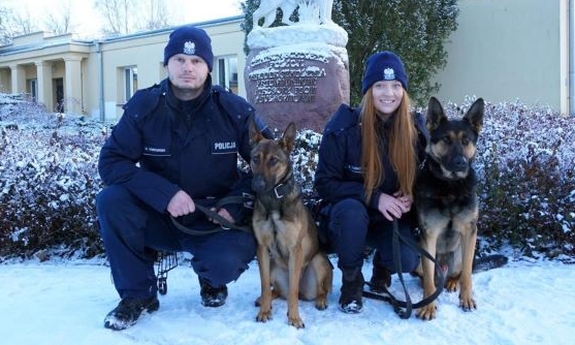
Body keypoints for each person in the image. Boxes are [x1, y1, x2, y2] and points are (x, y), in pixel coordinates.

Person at [96, 26, 271, 330]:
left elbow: (271, 166)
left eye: (196, 61)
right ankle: (139, 295)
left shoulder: (234, 110)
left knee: (223, 263)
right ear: (167, 64)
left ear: (208, 66)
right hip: (160, 214)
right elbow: (111, 162)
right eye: (179, 59)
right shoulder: (143, 107)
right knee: (111, 200)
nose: (187, 68)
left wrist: (237, 206)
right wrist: (164, 194)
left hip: (216, 218)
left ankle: (211, 279)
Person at [314, 51, 428, 313]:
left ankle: (383, 265)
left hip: (387, 219)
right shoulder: (344, 127)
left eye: (396, 86)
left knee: (408, 260)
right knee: (352, 212)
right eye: (380, 85)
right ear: (368, 90)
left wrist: (411, 194)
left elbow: (427, 177)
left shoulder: (415, 130)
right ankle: (352, 283)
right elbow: (324, 183)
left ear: (404, 90)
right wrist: (375, 197)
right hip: (346, 216)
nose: (389, 93)